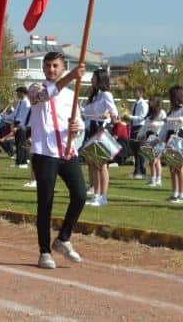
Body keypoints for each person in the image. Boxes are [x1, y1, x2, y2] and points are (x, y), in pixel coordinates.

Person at [28, 51, 86, 270]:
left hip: (67, 153)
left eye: (55, 66)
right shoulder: (36, 88)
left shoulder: (72, 95)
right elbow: (44, 97)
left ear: (62, 67)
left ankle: (63, 237)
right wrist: (71, 76)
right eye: (48, 66)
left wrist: (76, 129)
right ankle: (44, 251)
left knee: (80, 195)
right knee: (46, 202)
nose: (51, 69)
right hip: (45, 153)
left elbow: (79, 125)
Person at [82, 69, 117, 207]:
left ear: (100, 79)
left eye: (93, 78)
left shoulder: (106, 94)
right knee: (93, 164)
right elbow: (87, 113)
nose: (91, 80)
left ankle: (103, 197)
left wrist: (109, 115)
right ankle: (96, 194)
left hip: (101, 129)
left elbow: (114, 111)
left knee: (102, 165)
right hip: (91, 129)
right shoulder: (95, 95)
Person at [162, 85, 183, 203]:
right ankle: (175, 193)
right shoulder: (171, 111)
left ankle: (182, 195)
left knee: (180, 167)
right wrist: (158, 140)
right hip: (170, 137)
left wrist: (170, 120)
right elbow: (165, 128)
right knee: (172, 168)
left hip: (179, 137)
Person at [143, 96, 165, 187]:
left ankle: (158, 180)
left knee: (155, 160)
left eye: (152, 101)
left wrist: (155, 124)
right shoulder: (150, 113)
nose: (150, 103)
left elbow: (165, 124)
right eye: (150, 101)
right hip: (149, 136)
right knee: (152, 160)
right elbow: (145, 125)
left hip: (158, 137)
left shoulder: (162, 112)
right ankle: (153, 179)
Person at [128, 88, 148, 179]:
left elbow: (142, 117)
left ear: (141, 93)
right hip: (134, 127)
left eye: (136, 92)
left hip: (140, 127)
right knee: (135, 150)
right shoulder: (135, 104)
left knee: (140, 150)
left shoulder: (143, 104)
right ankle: (137, 170)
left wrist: (130, 117)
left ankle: (141, 171)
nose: (134, 93)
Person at [11, 86, 32, 168]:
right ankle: (19, 161)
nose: (17, 94)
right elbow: (16, 113)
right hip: (18, 123)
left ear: (22, 93)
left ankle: (22, 162)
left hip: (22, 124)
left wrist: (20, 126)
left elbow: (24, 116)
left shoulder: (26, 103)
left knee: (21, 143)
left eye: (18, 92)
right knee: (18, 143)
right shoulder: (21, 102)